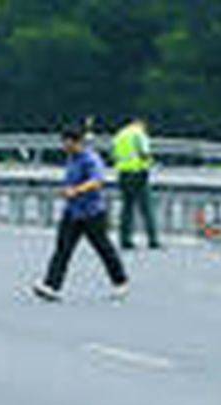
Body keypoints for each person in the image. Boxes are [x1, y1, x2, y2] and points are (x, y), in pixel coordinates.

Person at [32, 126, 129, 302]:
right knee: (63, 249)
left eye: (68, 143)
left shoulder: (90, 159)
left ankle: (120, 281)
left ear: (78, 142)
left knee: (103, 248)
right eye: (64, 143)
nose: (65, 147)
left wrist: (76, 191)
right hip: (72, 212)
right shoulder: (71, 159)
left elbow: (97, 181)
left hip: (92, 213)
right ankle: (51, 286)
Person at [112, 116, 161, 251]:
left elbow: (114, 155)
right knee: (147, 208)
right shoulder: (139, 134)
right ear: (139, 123)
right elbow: (145, 153)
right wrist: (151, 163)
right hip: (139, 174)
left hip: (123, 174)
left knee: (126, 209)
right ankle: (153, 240)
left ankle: (125, 239)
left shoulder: (119, 135)